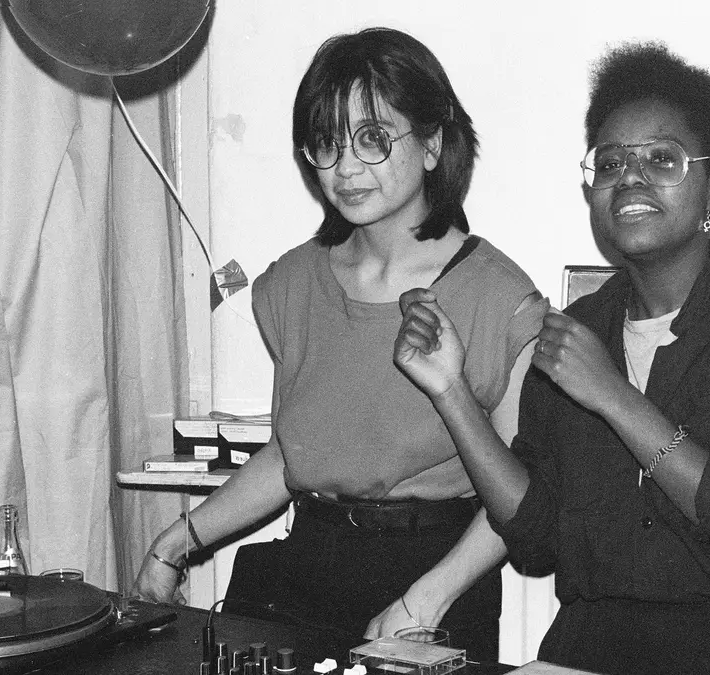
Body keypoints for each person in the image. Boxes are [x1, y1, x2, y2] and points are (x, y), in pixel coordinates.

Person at [395, 42, 710, 674]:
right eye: (610, 164)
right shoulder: (576, 333)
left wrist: (612, 394)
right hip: (588, 642)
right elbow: (536, 541)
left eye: (662, 159)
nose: (630, 178)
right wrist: (451, 393)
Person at [133, 27, 546, 661]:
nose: (345, 167)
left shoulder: (499, 297)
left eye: (373, 139)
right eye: (326, 144)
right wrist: (176, 542)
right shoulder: (292, 284)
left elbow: (519, 499)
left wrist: (426, 601)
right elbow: (292, 456)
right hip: (307, 574)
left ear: (433, 143)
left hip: (438, 586)